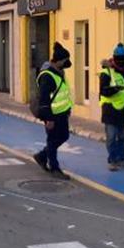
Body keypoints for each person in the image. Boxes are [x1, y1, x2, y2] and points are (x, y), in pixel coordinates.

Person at [33, 42, 73, 179]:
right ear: (60, 61)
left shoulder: (59, 72)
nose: (68, 63)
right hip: (52, 115)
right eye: (66, 60)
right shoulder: (47, 76)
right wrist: (48, 118)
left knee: (63, 136)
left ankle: (42, 156)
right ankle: (54, 168)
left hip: (61, 113)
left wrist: (67, 109)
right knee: (52, 139)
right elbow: (44, 99)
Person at [99, 43, 124, 171]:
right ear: (114, 59)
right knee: (111, 137)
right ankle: (112, 160)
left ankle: (121, 159)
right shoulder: (106, 72)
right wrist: (115, 89)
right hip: (110, 110)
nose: (121, 62)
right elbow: (103, 91)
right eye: (119, 59)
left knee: (122, 137)